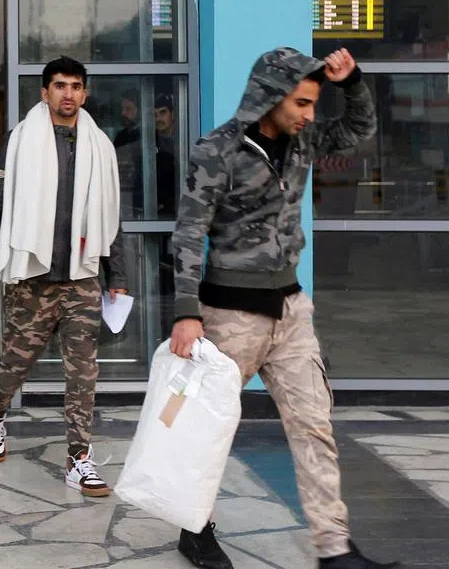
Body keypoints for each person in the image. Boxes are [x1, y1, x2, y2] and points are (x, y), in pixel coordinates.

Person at [169, 47, 398, 569]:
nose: (310, 115)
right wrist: (186, 311)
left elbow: (359, 129)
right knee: (209, 429)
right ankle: (194, 527)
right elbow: (188, 232)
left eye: (314, 103)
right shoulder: (217, 150)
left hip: (291, 310)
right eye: (301, 103)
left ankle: (334, 550)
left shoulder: (305, 141)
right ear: (269, 97)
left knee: (314, 425)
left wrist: (352, 82)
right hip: (231, 316)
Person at [0, 56, 128, 497]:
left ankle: (79, 458)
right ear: (44, 92)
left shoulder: (99, 145)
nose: (68, 94)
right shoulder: (20, 140)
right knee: (15, 364)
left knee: (83, 371)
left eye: (75, 86)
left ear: (85, 94)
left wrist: (117, 274)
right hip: (32, 277)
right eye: (59, 85)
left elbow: (110, 215)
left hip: (82, 277)